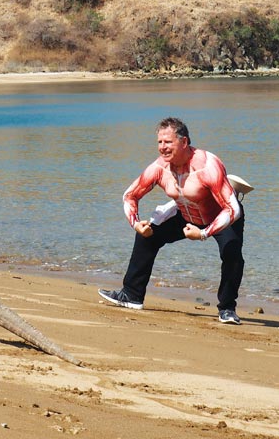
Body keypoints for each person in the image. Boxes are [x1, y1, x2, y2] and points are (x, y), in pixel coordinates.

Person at [98, 117, 249, 324]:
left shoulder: (207, 166)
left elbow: (232, 209)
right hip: (185, 214)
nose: (162, 147)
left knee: (232, 252)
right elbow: (129, 196)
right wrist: (136, 223)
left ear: (184, 142)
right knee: (147, 235)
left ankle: (227, 309)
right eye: (160, 142)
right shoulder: (159, 168)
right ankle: (132, 295)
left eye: (168, 142)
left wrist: (203, 234)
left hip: (220, 214)